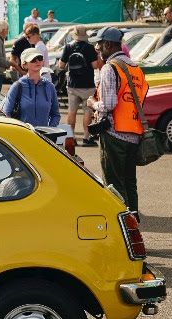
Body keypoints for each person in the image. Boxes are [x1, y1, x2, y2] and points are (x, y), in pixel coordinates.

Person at [89, 27, 146, 214]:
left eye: (99, 45)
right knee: (130, 182)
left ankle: (122, 225)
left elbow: (109, 104)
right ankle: (134, 222)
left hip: (114, 134)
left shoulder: (110, 68)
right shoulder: (136, 69)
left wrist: (93, 103)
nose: (97, 49)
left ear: (108, 44)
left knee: (114, 184)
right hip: (134, 132)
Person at [59, 25, 99, 142]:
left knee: (71, 112)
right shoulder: (90, 48)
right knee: (87, 111)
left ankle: (71, 138)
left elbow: (61, 65)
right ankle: (86, 137)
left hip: (72, 85)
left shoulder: (68, 47)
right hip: (87, 85)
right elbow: (95, 65)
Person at [2, 48, 58, 127]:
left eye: (40, 58)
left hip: (43, 137)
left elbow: (56, 115)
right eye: (33, 59)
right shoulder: (17, 86)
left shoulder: (49, 86)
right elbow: (6, 113)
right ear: (24, 65)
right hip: (23, 136)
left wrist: (49, 130)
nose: (37, 61)